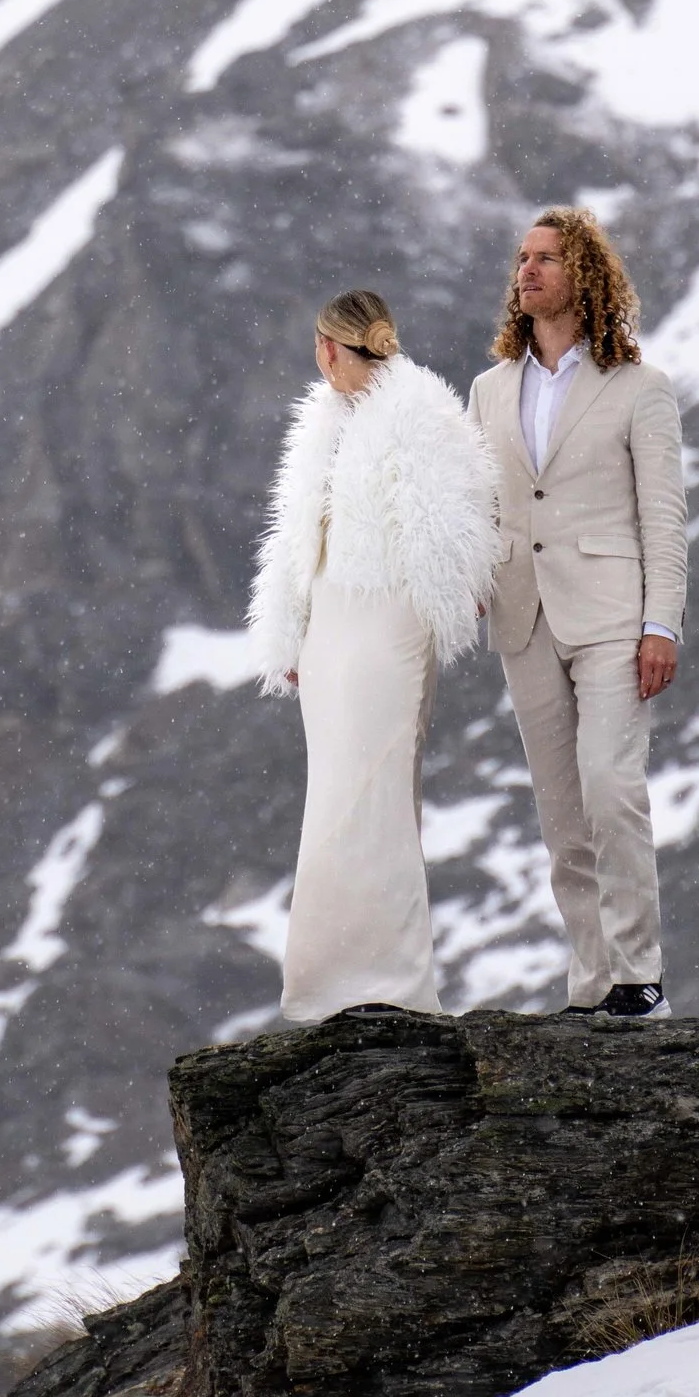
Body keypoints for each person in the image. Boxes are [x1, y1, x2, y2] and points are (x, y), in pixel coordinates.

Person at [248, 287, 499, 1024]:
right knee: (332, 797)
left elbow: (459, 516)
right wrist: (290, 630)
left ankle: (390, 980)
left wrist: (455, 590)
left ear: (330, 347)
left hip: (389, 619)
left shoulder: (419, 412)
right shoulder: (326, 420)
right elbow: (296, 541)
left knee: (379, 793)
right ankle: (329, 982)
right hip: (330, 624)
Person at [469, 207, 687, 1020]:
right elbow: (482, 503)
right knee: (562, 812)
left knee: (609, 785)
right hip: (522, 618)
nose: (527, 270)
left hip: (611, 618)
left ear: (585, 274)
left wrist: (660, 623)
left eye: (547, 258)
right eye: (522, 258)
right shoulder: (489, 389)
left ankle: (641, 974)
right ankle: (592, 982)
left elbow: (663, 516)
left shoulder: (640, 389)